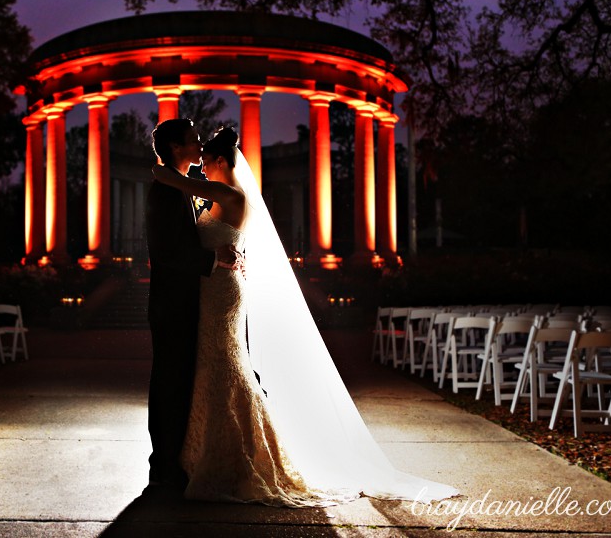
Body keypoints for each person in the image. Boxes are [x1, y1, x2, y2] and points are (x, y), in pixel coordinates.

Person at [152, 127, 459, 506]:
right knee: (219, 367)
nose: (201, 162)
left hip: (222, 293)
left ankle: (231, 457)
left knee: (224, 365)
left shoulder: (228, 194)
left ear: (219, 161)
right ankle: (213, 451)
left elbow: (169, 179)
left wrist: (165, 171)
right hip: (215, 289)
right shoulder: (220, 195)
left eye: (206, 158)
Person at [145, 118, 242, 489]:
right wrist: (215, 259)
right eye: (193, 140)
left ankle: (179, 459)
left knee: (183, 381)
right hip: (172, 305)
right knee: (170, 382)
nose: (200, 145)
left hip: (192, 301)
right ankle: (164, 465)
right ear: (175, 147)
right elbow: (166, 252)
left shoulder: (181, 186)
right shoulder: (166, 189)